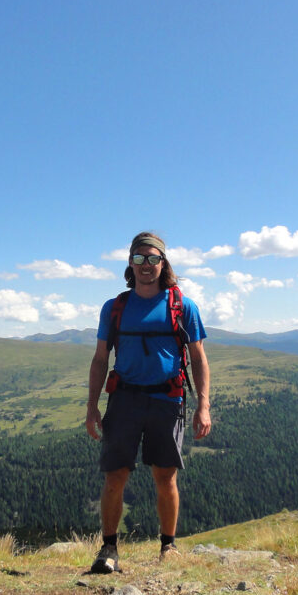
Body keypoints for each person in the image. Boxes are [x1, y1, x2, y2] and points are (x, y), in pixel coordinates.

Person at [85, 231, 211, 572]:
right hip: (123, 401)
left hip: (166, 401)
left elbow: (198, 359)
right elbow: (100, 359)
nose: (146, 265)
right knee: (115, 476)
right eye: (139, 258)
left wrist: (203, 405)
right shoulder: (115, 308)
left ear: (163, 262)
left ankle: (168, 546)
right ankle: (108, 549)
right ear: (130, 263)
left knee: (165, 477)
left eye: (153, 258)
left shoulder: (183, 306)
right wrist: (91, 405)